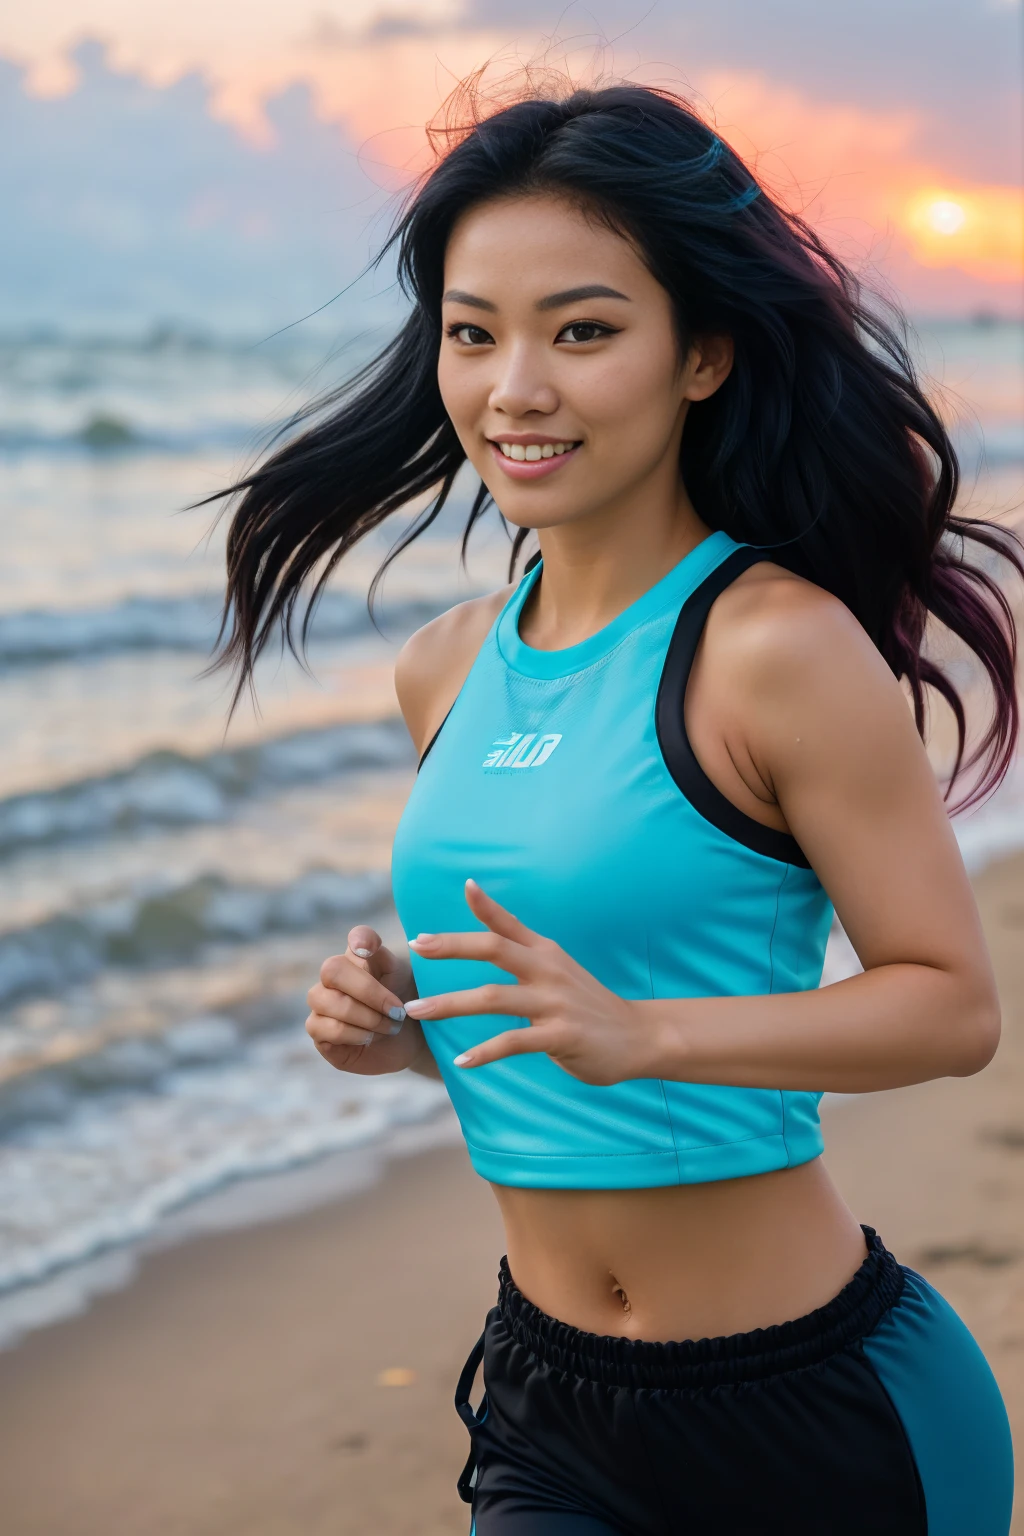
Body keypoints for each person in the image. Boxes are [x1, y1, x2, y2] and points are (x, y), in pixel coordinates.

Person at [210, 82, 1020, 1534]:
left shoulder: (773, 646)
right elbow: (567, 1005)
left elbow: (952, 1009)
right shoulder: (444, 670)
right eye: (475, 333)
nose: (515, 385)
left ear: (700, 353)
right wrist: (411, 1036)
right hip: (550, 1403)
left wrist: (648, 1039)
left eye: (581, 331)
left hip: (819, 1415)